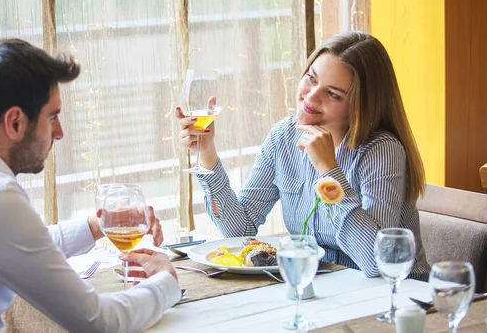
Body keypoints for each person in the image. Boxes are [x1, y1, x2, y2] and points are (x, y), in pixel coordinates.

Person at [0, 39, 180, 332]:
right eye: (52, 117)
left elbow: (22, 246)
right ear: (15, 122)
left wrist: (98, 225)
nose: (59, 133)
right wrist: (166, 282)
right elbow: (99, 322)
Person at [176, 31, 430, 280]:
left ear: (360, 105)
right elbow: (239, 229)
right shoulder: (284, 137)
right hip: (325, 287)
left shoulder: (381, 150)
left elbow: (376, 263)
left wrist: (329, 173)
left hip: (399, 296)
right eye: (311, 78)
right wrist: (207, 153)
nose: (310, 96)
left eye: (332, 94)